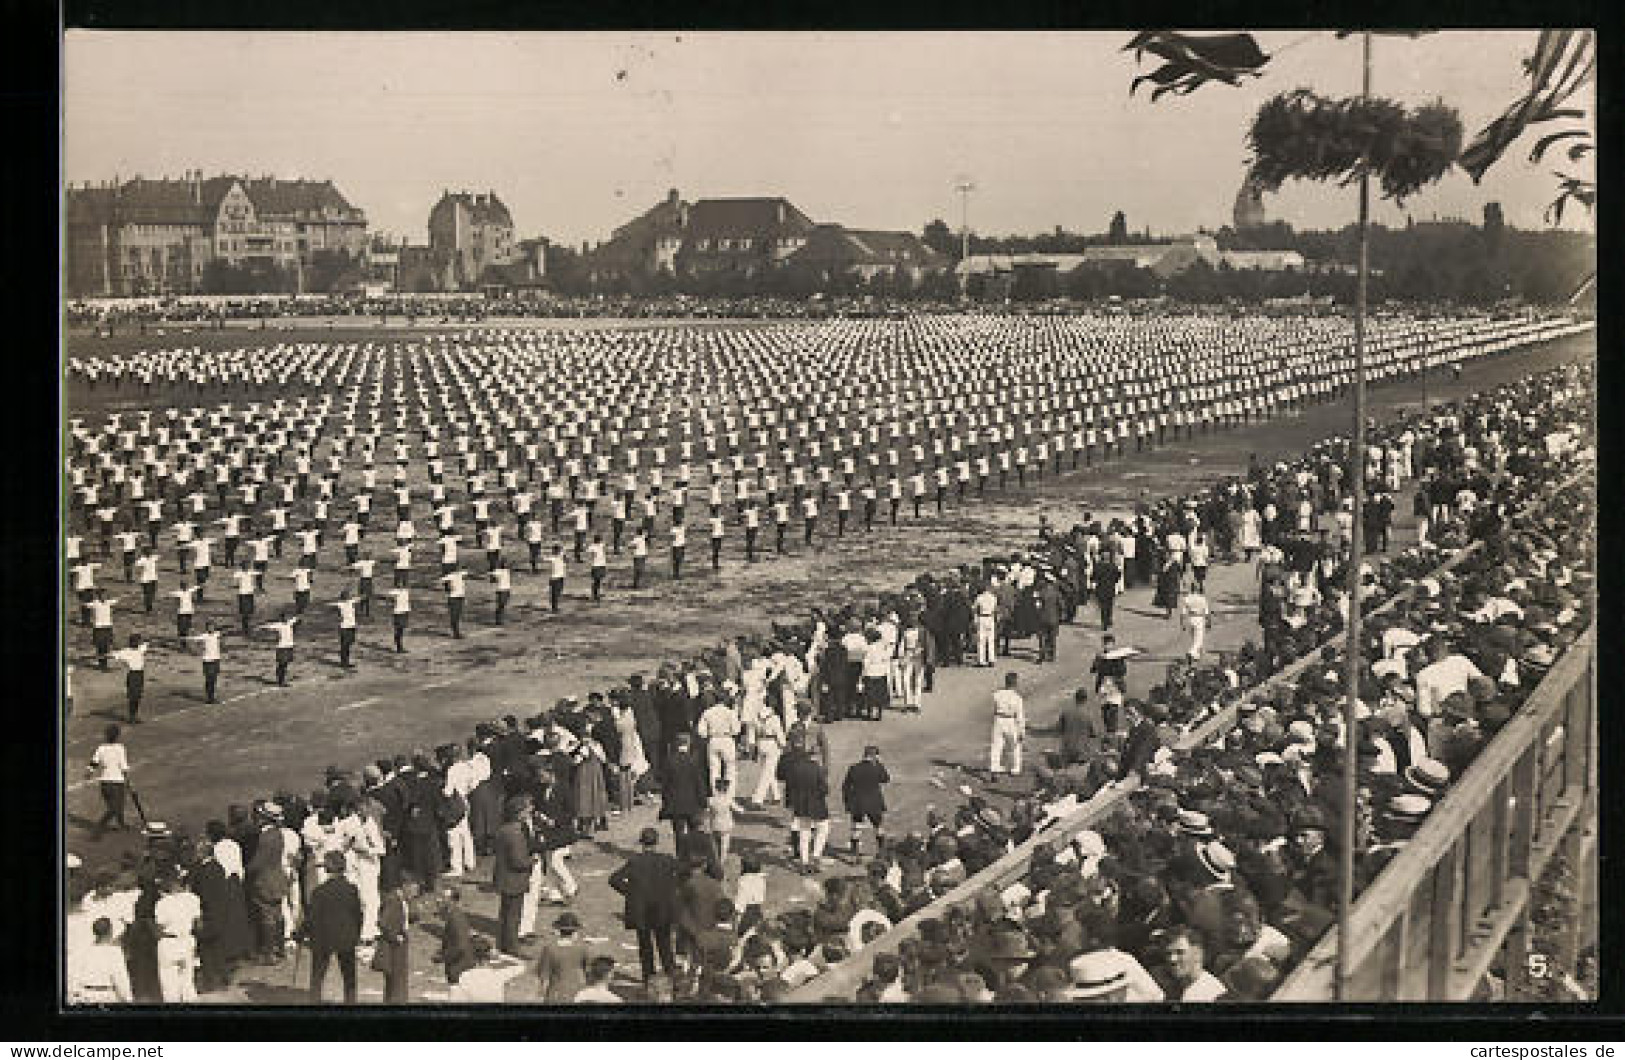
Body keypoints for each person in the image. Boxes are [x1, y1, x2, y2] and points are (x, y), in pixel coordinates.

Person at [608, 827, 680, 984]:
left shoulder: (635, 861)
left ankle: (649, 980)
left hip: (641, 910)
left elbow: (614, 879)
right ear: (656, 842)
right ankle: (672, 978)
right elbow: (682, 874)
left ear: (642, 843)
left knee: (645, 948)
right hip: (662, 908)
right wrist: (671, 889)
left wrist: (630, 893)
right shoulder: (667, 860)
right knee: (665, 946)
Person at [306, 850, 363, 1003]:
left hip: (323, 938)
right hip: (347, 937)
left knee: (317, 976)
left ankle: (314, 1005)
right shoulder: (352, 890)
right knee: (349, 977)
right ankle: (351, 1005)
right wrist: (356, 935)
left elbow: (311, 918)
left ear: (326, 869)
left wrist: (302, 934)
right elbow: (358, 915)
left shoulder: (319, 892)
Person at [778, 733, 831, 872]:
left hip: (800, 803)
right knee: (823, 828)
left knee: (804, 831)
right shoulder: (817, 768)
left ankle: (804, 861)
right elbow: (824, 789)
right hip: (816, 803)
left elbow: (788, 781)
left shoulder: (795, 768)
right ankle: (816, 856)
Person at [493, 796, 537, 957]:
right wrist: (532, 860)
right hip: (514, 879)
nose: (529, 812)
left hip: (503, 877)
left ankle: (503, 943)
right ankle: (512, 947)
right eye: (526, 810)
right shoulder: (516, 833)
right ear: (519, 813)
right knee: (513, 916)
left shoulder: (503, 829)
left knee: (505, 913)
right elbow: (518, 861)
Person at [372, 872, 417, 1004]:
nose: (415, 894)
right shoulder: (393, 900)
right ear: (405, 886)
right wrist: (395, 937)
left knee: (395, 982)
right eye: (414, 889)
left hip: (398, 945)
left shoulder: (401, 900)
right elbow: (383, 922)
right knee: (398, 982)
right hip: (394, 948)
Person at [840, 745, 890, 860]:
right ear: (875, 756)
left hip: (858, 803)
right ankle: (882, 853)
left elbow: (846, 786)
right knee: (878, 827)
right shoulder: (876, 768)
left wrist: (848, 803)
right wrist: (880, 764)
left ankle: (854, 855)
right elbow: (886, 779)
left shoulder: (854, 768)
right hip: (874, 802)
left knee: (856, 828)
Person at [534, 911, 593, 1003]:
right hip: (577, 992)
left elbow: (543, 975)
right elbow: (589, 971)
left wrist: (542, 992)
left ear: (558, 930)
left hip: (555, 993)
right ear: (575, 932)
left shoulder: (550, 949)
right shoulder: (582, 947)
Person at [88, 724, 130, 839]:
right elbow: (124, 766)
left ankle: (121, 825)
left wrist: (89, 772)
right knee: (115, 808)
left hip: (105, 783)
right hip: (117, 783)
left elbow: (94, 762)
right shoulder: (121, 748)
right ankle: (97, 829)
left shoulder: (101, 748)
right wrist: (128, 780)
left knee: (117, 806)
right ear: (118, 736)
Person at [988, 672, 1026, 778]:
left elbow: (995, 708)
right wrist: (1021, 731)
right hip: (1011, 721)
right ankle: (1015, 769)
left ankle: (994, 768)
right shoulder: (1017, 698)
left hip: (999, 719)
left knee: (996, 745)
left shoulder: (997, 694)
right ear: (1015, 683)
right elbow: (1020, 716)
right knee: (1015, 745)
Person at [111, 634, 148, 723]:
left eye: (139, 641)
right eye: (137, 641)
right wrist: (113, 653)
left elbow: (146, 645)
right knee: (133, 696)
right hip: (133, 675)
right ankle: (131, 716)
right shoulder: (125, 652)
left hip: (140, 674)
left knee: (138, 696)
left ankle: (134, 715)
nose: (138, 643)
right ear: (132, 642)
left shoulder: (140, 648)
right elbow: (115, 654)